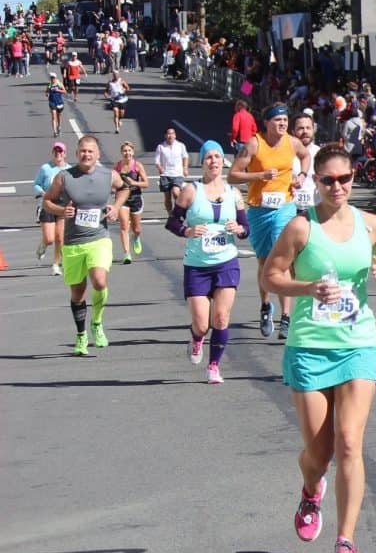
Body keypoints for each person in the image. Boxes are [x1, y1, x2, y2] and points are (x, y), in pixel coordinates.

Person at [260, 143, 376, 553]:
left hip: (358, 342)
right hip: (309, 345)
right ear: (315, 182)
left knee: (351, 443)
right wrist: (307, 289)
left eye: (345, 179)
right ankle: (310, 488)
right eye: (328, 180)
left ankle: (346, 541)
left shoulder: (372, 225)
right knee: (319, 453)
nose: (337, 186)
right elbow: (270, 276)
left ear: (353, 178)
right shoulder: (301, 229)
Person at [166, 141, 249, 384]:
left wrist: (239, 229)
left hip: (226, 262)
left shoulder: (234, 194)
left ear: (223, 161)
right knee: (202, 324)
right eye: (208, 158)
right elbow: (172, 223)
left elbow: (246, 230)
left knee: (221, 318)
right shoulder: (191, 191)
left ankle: (213, 366)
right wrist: (187, 231)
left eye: (217, 157)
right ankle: (196, 339)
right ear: (202, 163)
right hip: (197, 265)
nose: (213, 161)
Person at [227, 102, 311, 339]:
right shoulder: (254, 144)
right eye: (278, 120)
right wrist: (259, 175)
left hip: (284, 206)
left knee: (282, 261)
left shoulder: (292, 142)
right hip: (258, 209)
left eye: (285, 120)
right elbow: (232, 175)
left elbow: (305, 156)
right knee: (264, 262)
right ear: (266, 123)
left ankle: (286, 317)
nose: (282, 124)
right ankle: (266, 306)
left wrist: (302, 175)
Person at [41, 135, 130, 356]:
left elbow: (125, 188)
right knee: (78, 292)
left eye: (91, 151)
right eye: (83, 151)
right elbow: (47, 201)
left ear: (97, 154)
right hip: (73, 243)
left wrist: (116, 207)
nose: (86, 155)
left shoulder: (108, 175)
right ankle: (81, 335)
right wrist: (62, 211)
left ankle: (97, 323)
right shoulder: (65, 177)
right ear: (77, 153)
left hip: (98, 238)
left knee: (100, 281)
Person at [34, 141, 68, 275]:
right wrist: (43, 193)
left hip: (62, 205)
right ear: (52, 153)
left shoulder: (69, 169)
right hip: (47, 204)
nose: (58, 154)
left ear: (65, 154)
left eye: (60, 151)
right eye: (56, 151)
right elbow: (36, 184)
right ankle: (43, 245)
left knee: (60, 238)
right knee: (50, 239)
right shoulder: (45, 168)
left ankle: (56, 264)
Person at [114, 141, 149, 264]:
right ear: (121, 153)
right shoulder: (117, 167)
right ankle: (126, 254)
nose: (127, 153)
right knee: (124, 226)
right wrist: (114, 188)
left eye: (129, 150)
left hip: (136, 198)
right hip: (122, 199)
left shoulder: (137, 166)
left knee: (137, 228)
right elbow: (112, 182)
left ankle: (136, 237)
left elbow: (146, 183)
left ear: (132, 152)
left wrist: (134, 183)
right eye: (125, 151)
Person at [154, 126, 189, 213]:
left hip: (177, 174)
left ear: (175, 135)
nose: (170, 136)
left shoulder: (180, 145)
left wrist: (185, 168)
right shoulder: (161, 147)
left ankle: (180, 210)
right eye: (168, 134)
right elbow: (156, 160)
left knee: (175, 192)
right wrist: (160, 167)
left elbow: (185, 157)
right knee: (167, 197)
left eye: (172, 133)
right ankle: (170, 214)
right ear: (165, 135)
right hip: (165, 174)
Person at [45, 71, 67, 137]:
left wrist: (58, 90)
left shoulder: (59, 84)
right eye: (51, 78)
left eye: (53, 78)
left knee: (59, 116)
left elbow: (65, 91)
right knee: (53, 117)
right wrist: (47, 94)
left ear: (55, 78)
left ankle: (59, 126)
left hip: (59, 102)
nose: (52, 79)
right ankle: (54, 132)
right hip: (52, 102)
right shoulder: (49, 85)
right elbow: (46, 92)